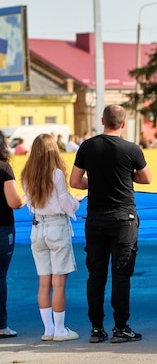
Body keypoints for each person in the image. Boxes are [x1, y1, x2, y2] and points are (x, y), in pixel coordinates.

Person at [70, 104, 152, 344]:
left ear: (102, 120)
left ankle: (96, 328)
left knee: (96, 275)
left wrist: (94, 183)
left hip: (95, 218)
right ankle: (120, 327)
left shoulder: (88, 146)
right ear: (124, 124)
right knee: (121, 274)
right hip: (123, 219)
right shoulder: (131, 149)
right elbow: (147, 178)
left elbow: (75, 181)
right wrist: (126, 176)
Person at [21, 134, 82, 341]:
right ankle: (60, 330)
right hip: (56, 227)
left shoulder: (26, 174)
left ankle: (47, 330)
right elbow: (65, 202)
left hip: (37, 227)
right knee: (59, 283)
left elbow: (29, 203)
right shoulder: (56, 173)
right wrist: (77, 203)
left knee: (44, 282)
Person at [0, 132, 25, 338]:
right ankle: (1, 325)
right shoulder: (4, 168)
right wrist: (25, 199)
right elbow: (15, 202)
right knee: (0, 276)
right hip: (2, 227)